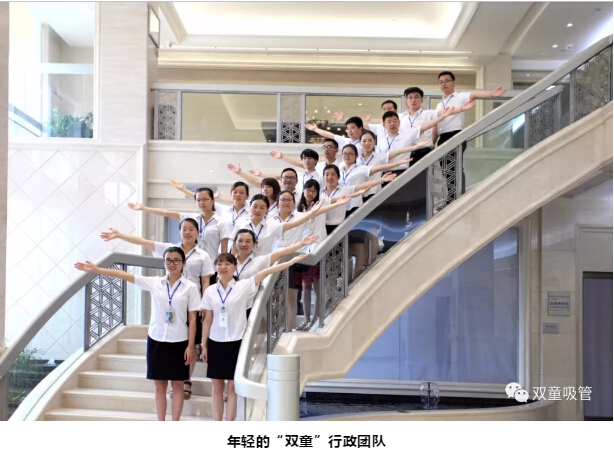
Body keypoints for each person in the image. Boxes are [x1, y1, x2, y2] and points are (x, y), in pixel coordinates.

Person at [75, 247, 200, 421]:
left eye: (176, 260)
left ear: (183, 263)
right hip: (157, 339)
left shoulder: (191, 287)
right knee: (159, 385)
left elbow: (193, 318)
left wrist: (191, 347)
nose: (172, 264)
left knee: (178, 385)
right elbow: (124, 275)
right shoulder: (155, 282)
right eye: (168, 260)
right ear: (164, 262)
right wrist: (97, 269)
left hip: (179, 340)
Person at [99, 218, 213, 400]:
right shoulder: (170, 249)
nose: (187, 232)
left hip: (191, 301)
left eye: (191, 229)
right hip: (170, 300)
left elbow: (205, 281)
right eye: (184, 228)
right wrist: (120, 235)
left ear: (198, 232)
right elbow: (144, 242)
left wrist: (205, 303)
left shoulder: (203, 255)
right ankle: (176, 379)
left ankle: (186, 380)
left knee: (191, 344)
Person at [201, 252, 308, 421]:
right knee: (216, 388)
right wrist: (204, 345)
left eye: (227, 264)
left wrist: (292, 261)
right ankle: (217, 423)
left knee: (233, 388)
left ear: (235, 267)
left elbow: (267, 271)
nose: (223, 267)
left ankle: (229, 424)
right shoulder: (209, 292)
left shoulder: (243, 285)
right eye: (219, 264)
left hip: (237, 342)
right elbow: (207, 320)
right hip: (215, 341)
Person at [433, 71, 507, 198]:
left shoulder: (459, 97)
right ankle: (451, 198)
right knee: (446, 170)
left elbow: (474, 94)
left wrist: (491, 94)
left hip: (455, 135)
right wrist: (432, 143)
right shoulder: (439, 105)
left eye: (446, 81)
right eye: (441, 82)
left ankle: (457, 198)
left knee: (455, 168)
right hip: (442, 138)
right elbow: (435, 125)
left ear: (453, 83)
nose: (444, 84)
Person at [233, 227, 319, 326]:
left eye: (248, 241)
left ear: (254, 245)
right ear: (235, 243)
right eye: (240, 241)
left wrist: (301, 243)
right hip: (231, 305)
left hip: (252, 307)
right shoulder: (226, 262)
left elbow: (282, 252)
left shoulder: (259, 261)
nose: (244, 244)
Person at [128, 187, 228, 261]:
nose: (201, 202)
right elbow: (166, 213)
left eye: (205, 199)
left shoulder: (221, 222)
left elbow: (224, 250)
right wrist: (144, 208)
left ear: (213, 200)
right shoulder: (192, 218)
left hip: (211, 266)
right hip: (191, 264)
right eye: (198, 200)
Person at [226, 194, 331, 257]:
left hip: (264, 265)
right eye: (255, 206)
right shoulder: (241, 223)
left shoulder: (271, 225)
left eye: (262, 207)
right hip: (243, 264)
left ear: (267, 210)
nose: (258, 210)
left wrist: (312, 213)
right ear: (250, 207)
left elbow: (293, 224)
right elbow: (233, 246)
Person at [319, 164, 397, 235]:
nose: (330, 177)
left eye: (333, 174)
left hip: (338, 227)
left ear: (338, 177)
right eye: (327, 175)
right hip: (322, 228)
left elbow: (362, 185)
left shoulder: (345, 190)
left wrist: (381, 180)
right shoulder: (319, 193)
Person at [171, 180, 250, 238]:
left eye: (241, 192)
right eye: (235, 192)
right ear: (231, 194)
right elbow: (202, 199)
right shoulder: (224, 210)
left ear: (247, 196)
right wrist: (183, 190)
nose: (237, 195)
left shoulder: (251, 212)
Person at [333, 99, 398, 145]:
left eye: (389, 109)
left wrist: (372, 119)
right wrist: (344, 118)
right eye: (384, 109)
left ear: (395, 110)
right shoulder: (379, 127)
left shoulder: (401, 122)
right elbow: (361, 124)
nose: (386, 111)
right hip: (382, 158)